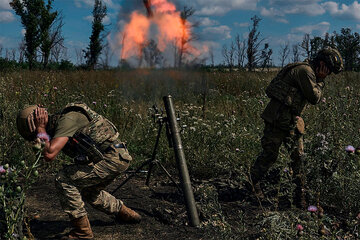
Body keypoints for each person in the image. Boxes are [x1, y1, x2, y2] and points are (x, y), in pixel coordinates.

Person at [16, 102, 142, 240]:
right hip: (110, 158)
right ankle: (127, 214)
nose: (37, 137)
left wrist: (40, 128)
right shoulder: (57, 126)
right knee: (90, 193)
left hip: (113, 158)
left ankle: (82, 233)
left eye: (36, 134)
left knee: (64, 179)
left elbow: (49, 154)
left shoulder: (66, 120)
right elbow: (45, 151)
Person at [249, 47, 344, 208]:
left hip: (291, 122)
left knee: (298, 159)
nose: (328, 74)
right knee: (269, 155)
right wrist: (320, 80)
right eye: (328, 70)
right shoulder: (305, 71)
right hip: (277, 120)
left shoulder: (308, 71)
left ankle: (300, 196)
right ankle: (252, 185)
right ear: (322, 64)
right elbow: (314, 97)